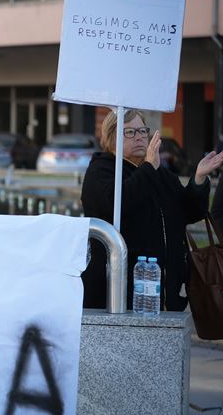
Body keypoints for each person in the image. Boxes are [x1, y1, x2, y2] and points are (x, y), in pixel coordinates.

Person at [81, 109, 223, 310]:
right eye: (129, 132)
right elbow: (117, 203)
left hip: (163, 290)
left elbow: (188, 212)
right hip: (117, 292)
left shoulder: (159, 173)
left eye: (142, 130)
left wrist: (199, 178)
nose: (139, 137)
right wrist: (148, 168)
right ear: (111, 137)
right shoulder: (101, 170)